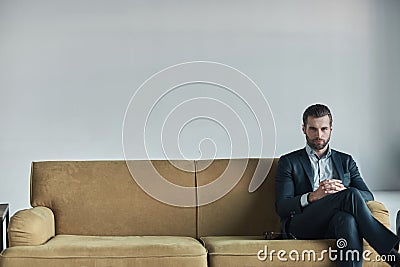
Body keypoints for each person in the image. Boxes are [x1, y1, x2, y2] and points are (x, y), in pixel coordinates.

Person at [275, 104, 400, 267]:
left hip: (334, 223)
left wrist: (342, 193)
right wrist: (313, 196)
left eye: (324, 129)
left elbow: (368, 195)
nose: (318, 135)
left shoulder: (346, 161)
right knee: (350, 195)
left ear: (331, 129)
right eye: (312, 129)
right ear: (303, 129)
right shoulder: (289, 162)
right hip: (303, 223)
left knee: (347, 218)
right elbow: (282, 207)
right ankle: (392, 255)